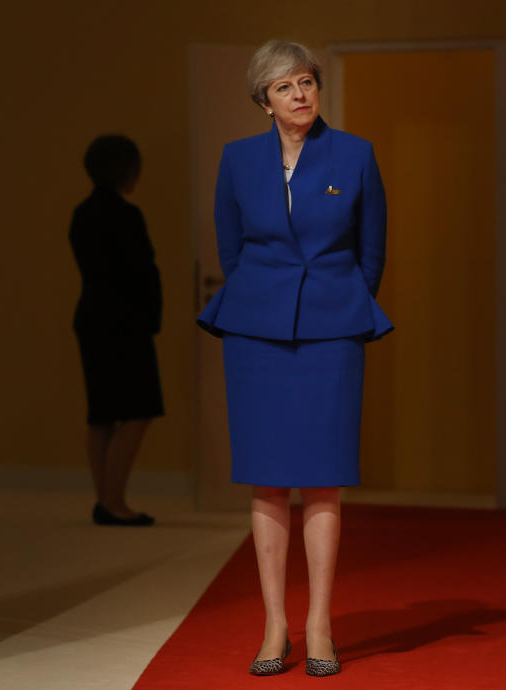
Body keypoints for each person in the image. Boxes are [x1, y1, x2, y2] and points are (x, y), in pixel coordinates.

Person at [196, 40, 392, 677]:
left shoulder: (355, 154)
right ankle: (275, 625)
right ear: (263, 101)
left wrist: (339, 304)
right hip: (256, 333)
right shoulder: (237, 160)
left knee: (324, 477)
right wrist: (266, 298)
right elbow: (232, 250)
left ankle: (320, 626)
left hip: (333, 331)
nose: (300, 94)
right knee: (268, 479)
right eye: (284, 87)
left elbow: (372, 253)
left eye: (306, 81)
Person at [70, 135, 163, 527]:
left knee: (103, 414)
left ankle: (106, 499)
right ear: (125, 169)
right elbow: (141, 273)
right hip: (124, 322)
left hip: (92, 318)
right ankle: (114, 502)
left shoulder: (82, 213)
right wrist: (151, 317)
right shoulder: (126, 215)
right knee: (139, 410)